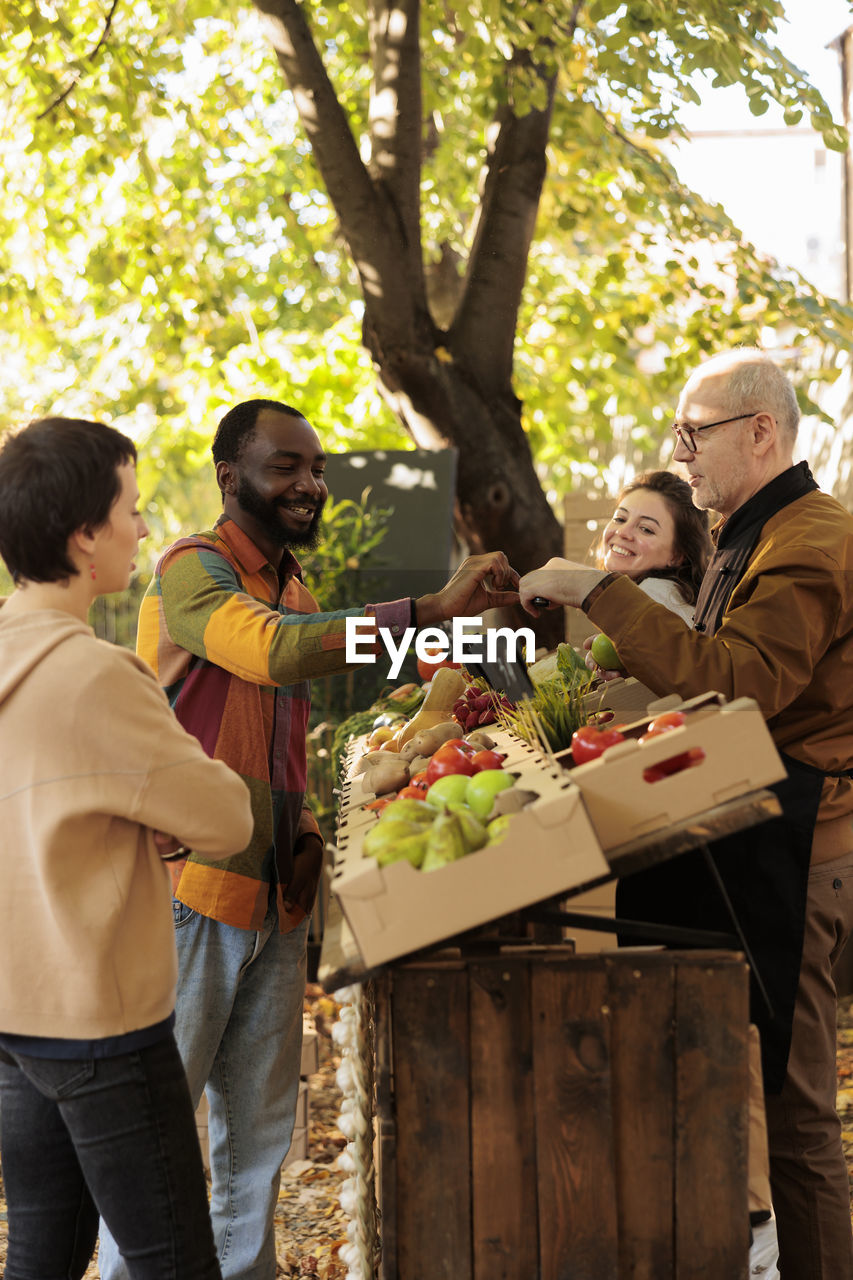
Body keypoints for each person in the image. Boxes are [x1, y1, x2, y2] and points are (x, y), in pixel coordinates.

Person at [98, 397, 519, 1280]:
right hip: (188, 899)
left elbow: (279, 729)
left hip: (274, 902)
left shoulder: (293, 586)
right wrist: (428, 608)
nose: (309, 483)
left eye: (316, 468)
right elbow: (276, 653)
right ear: (229, 476)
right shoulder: (190, 573)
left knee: (255, 1154)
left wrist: (309, 828)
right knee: (157, 1145)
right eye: (285, 465)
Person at [519, 348, 853, 1279]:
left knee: (795, 1119)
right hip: (752, 835)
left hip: (805, 848)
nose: (682, 452)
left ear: (761, 431)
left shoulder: (811, 539)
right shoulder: (752, 532)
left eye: (694, 433)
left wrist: (598, 591)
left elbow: (740, 681)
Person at [0, 417, 254, 1279]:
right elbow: (226, 819)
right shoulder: (101, 675)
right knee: (174, 1262)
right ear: (83, 534)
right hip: (103, 1024)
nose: (143, 529)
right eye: (132, 509)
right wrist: (157, 813)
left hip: (14, 1018)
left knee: (40, 1255)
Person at [593, 469, 711, 624]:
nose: (623, 532)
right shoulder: (670, 595)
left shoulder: (654, 595)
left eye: (646, 529)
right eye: (620, 519)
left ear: (676, 555)